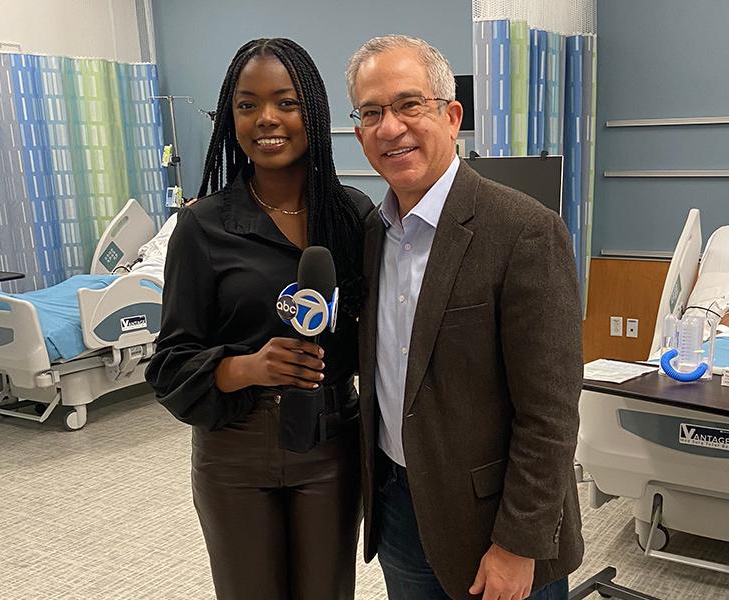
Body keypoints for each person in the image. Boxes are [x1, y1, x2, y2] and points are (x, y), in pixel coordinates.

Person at [346, 35, 584, 600]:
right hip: (399, 509)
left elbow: (550, 412)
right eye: (372, 113)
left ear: (451, 117)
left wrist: (518, 544)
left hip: (496, 526)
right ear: (358, 134)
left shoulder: (523, 230)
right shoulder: (371, 236)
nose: (390, 127)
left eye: (409, 105)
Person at [145, 38, 371, 600]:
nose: (266, 119)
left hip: (331, 442)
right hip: (235, 451)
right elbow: (170, 365)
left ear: (312, 113)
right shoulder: (204, 227)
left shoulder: (353, 218)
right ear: (232, 118)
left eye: (285, 103)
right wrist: (247, 367)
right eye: (247, 105)